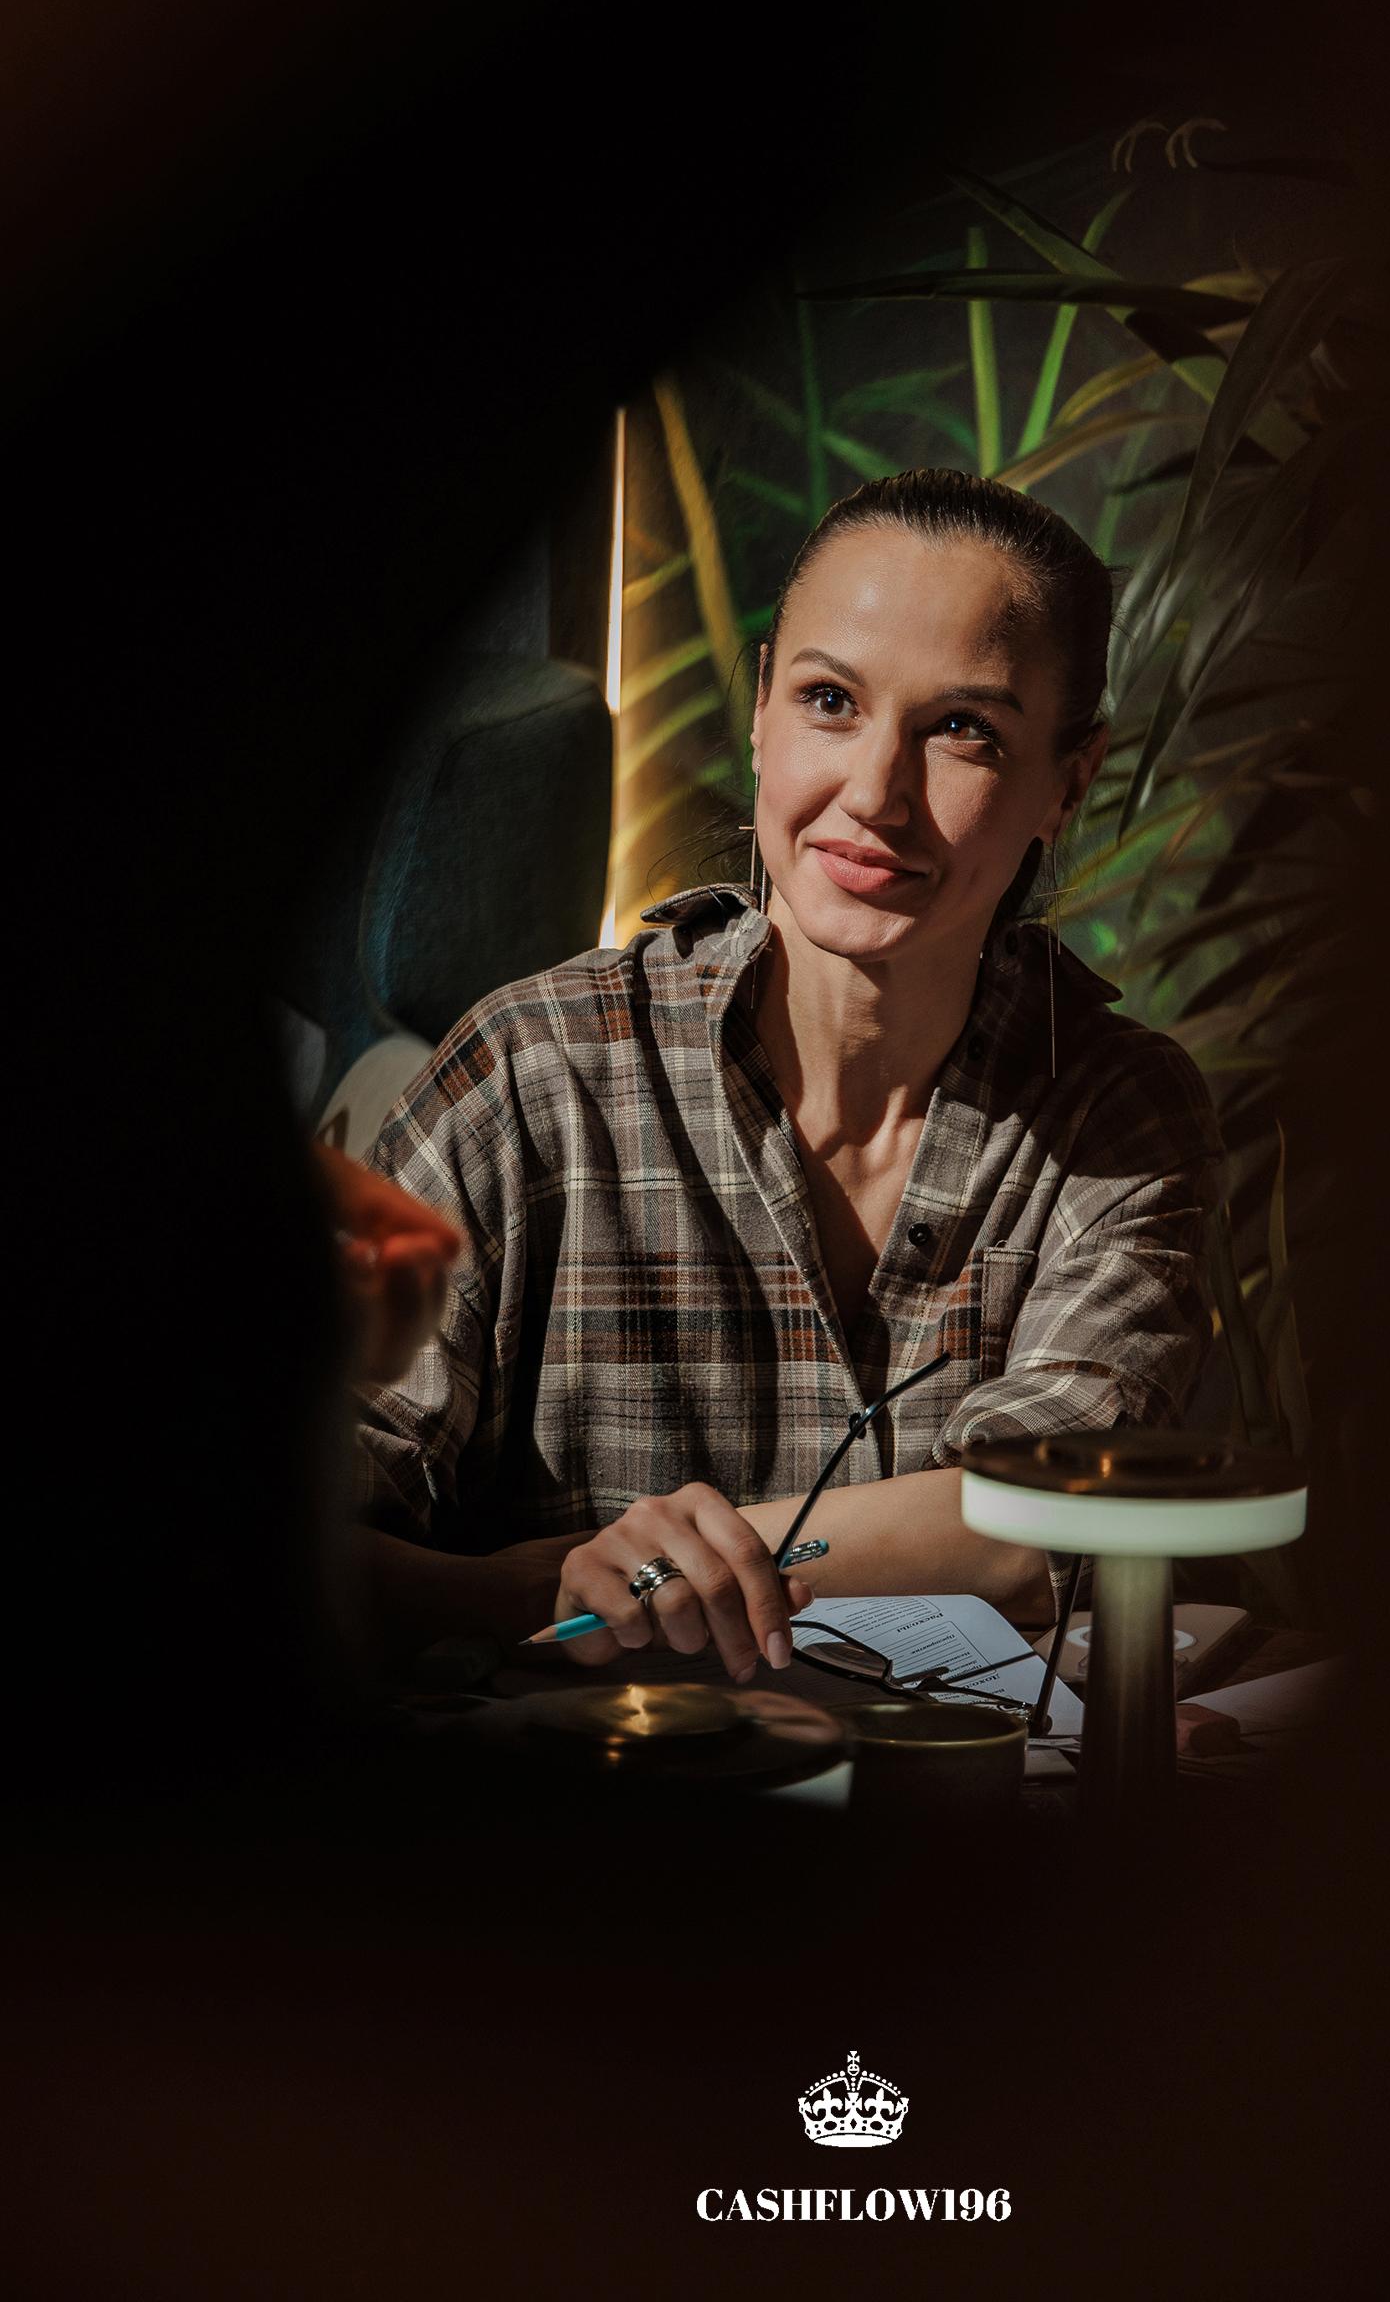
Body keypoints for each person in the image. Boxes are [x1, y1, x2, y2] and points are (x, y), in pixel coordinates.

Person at [350, 469, 1225, 1680]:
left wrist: (660, 1571)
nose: (875, 794)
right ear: (761, 709)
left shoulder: (1117, 1112)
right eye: (830, 701)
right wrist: (519, 1594)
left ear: (1068, 781)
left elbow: (1045, 1517)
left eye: (964, 729)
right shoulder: (528, 1075)